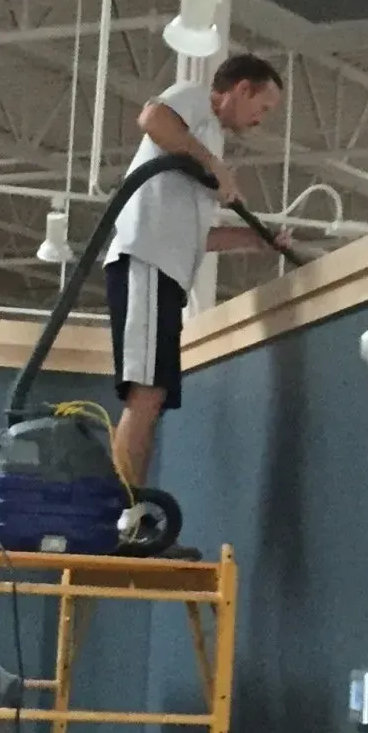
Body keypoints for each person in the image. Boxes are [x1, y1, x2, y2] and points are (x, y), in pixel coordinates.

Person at [105, 52, 286, 490]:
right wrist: (213, 163)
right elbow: (152, 118)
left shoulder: (208, 142)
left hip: (168, 271)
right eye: (261, 108)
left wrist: (254, 240)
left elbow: (195, 237)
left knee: (154, 396)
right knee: (144, 393)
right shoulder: (194, 100)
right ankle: (122, 515)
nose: (260, 121)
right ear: (241, 89)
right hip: (146, 259)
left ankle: (133, 511)